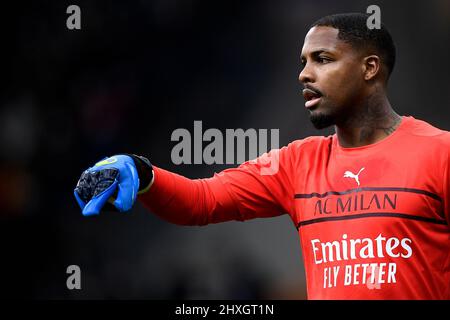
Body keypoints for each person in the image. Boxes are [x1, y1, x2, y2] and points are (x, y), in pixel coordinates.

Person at [74, 13, 450, 299]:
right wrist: (142, 173)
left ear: (370, 68)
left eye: (322, 58)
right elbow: (201, 201)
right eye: (302, 62)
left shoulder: (439, 153)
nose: (304, 74)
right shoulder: (296, 164)